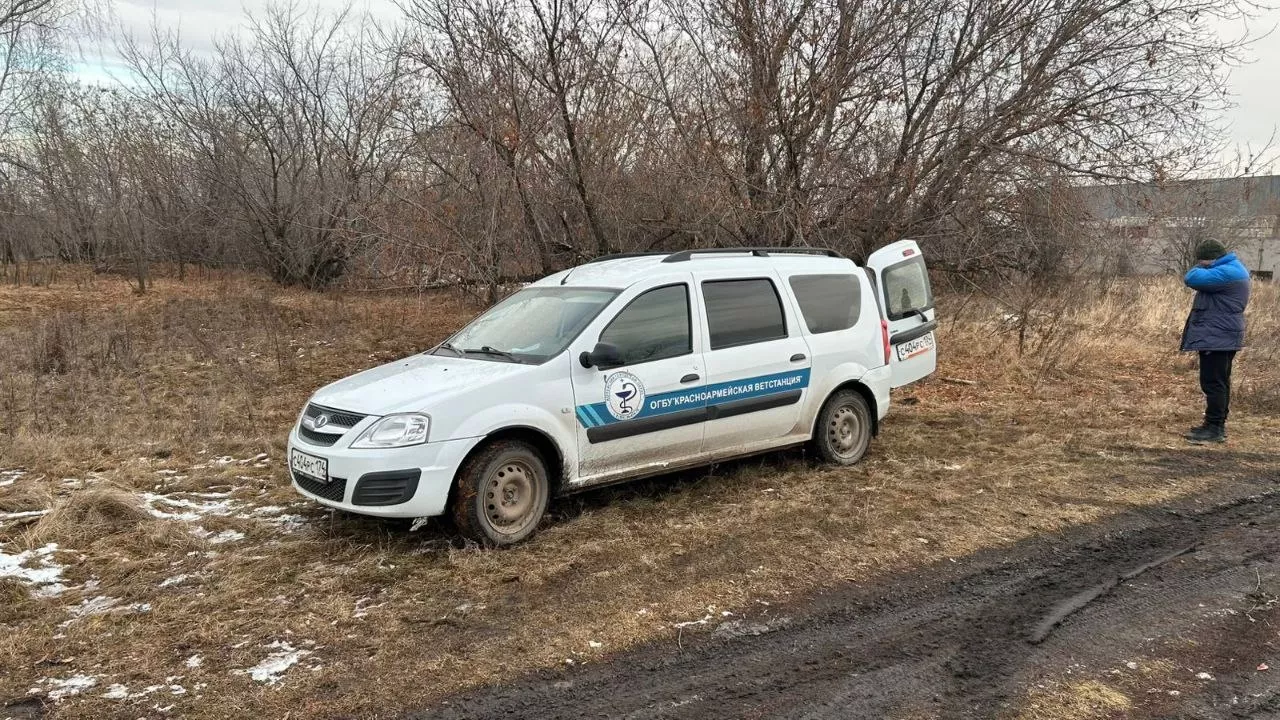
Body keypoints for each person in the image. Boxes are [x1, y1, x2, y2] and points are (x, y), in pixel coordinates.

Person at [1180, 239, 1250, 443]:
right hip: (1222, 335)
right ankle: (1215, 424)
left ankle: (1214, 428)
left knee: (1213, 382)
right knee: (1219, 381)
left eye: (1202, 261)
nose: (1199, 265)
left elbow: (1191, 277)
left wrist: (1201, 267)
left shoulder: (1228, 272)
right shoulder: (1231, 269)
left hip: (1218, 336)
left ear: (1211, 258)